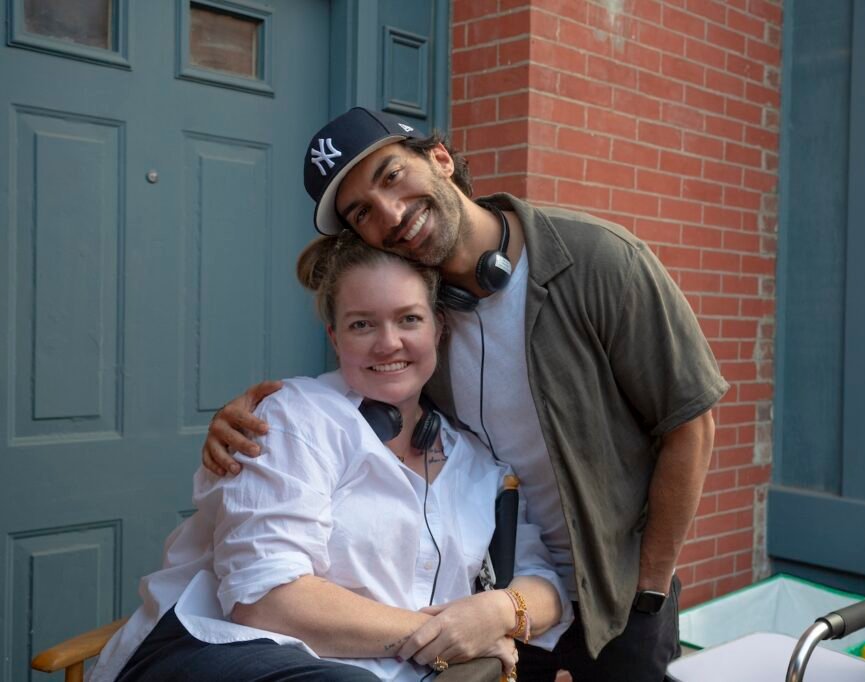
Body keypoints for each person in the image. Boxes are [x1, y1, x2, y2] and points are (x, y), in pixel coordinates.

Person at [204, 107, 729, 681]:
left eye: (391, 176)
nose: (392, 213)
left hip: (617, 595)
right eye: (363, 212)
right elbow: (365, 374)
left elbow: (690, 422)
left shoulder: (599, 259)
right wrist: (250, 414)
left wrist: (650, 588)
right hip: (498, 600)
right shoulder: (420, 320)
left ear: (440, 158)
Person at [89, 231, 569, 682]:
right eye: (362, 324)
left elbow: (546, 584)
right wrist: (444, 641)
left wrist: (499, 613)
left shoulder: (480, 463)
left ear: (439, 328)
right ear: (335, 338)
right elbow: (265, 598)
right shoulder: (293, 419)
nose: (388, 343)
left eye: (409, 319)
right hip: (232, 654)